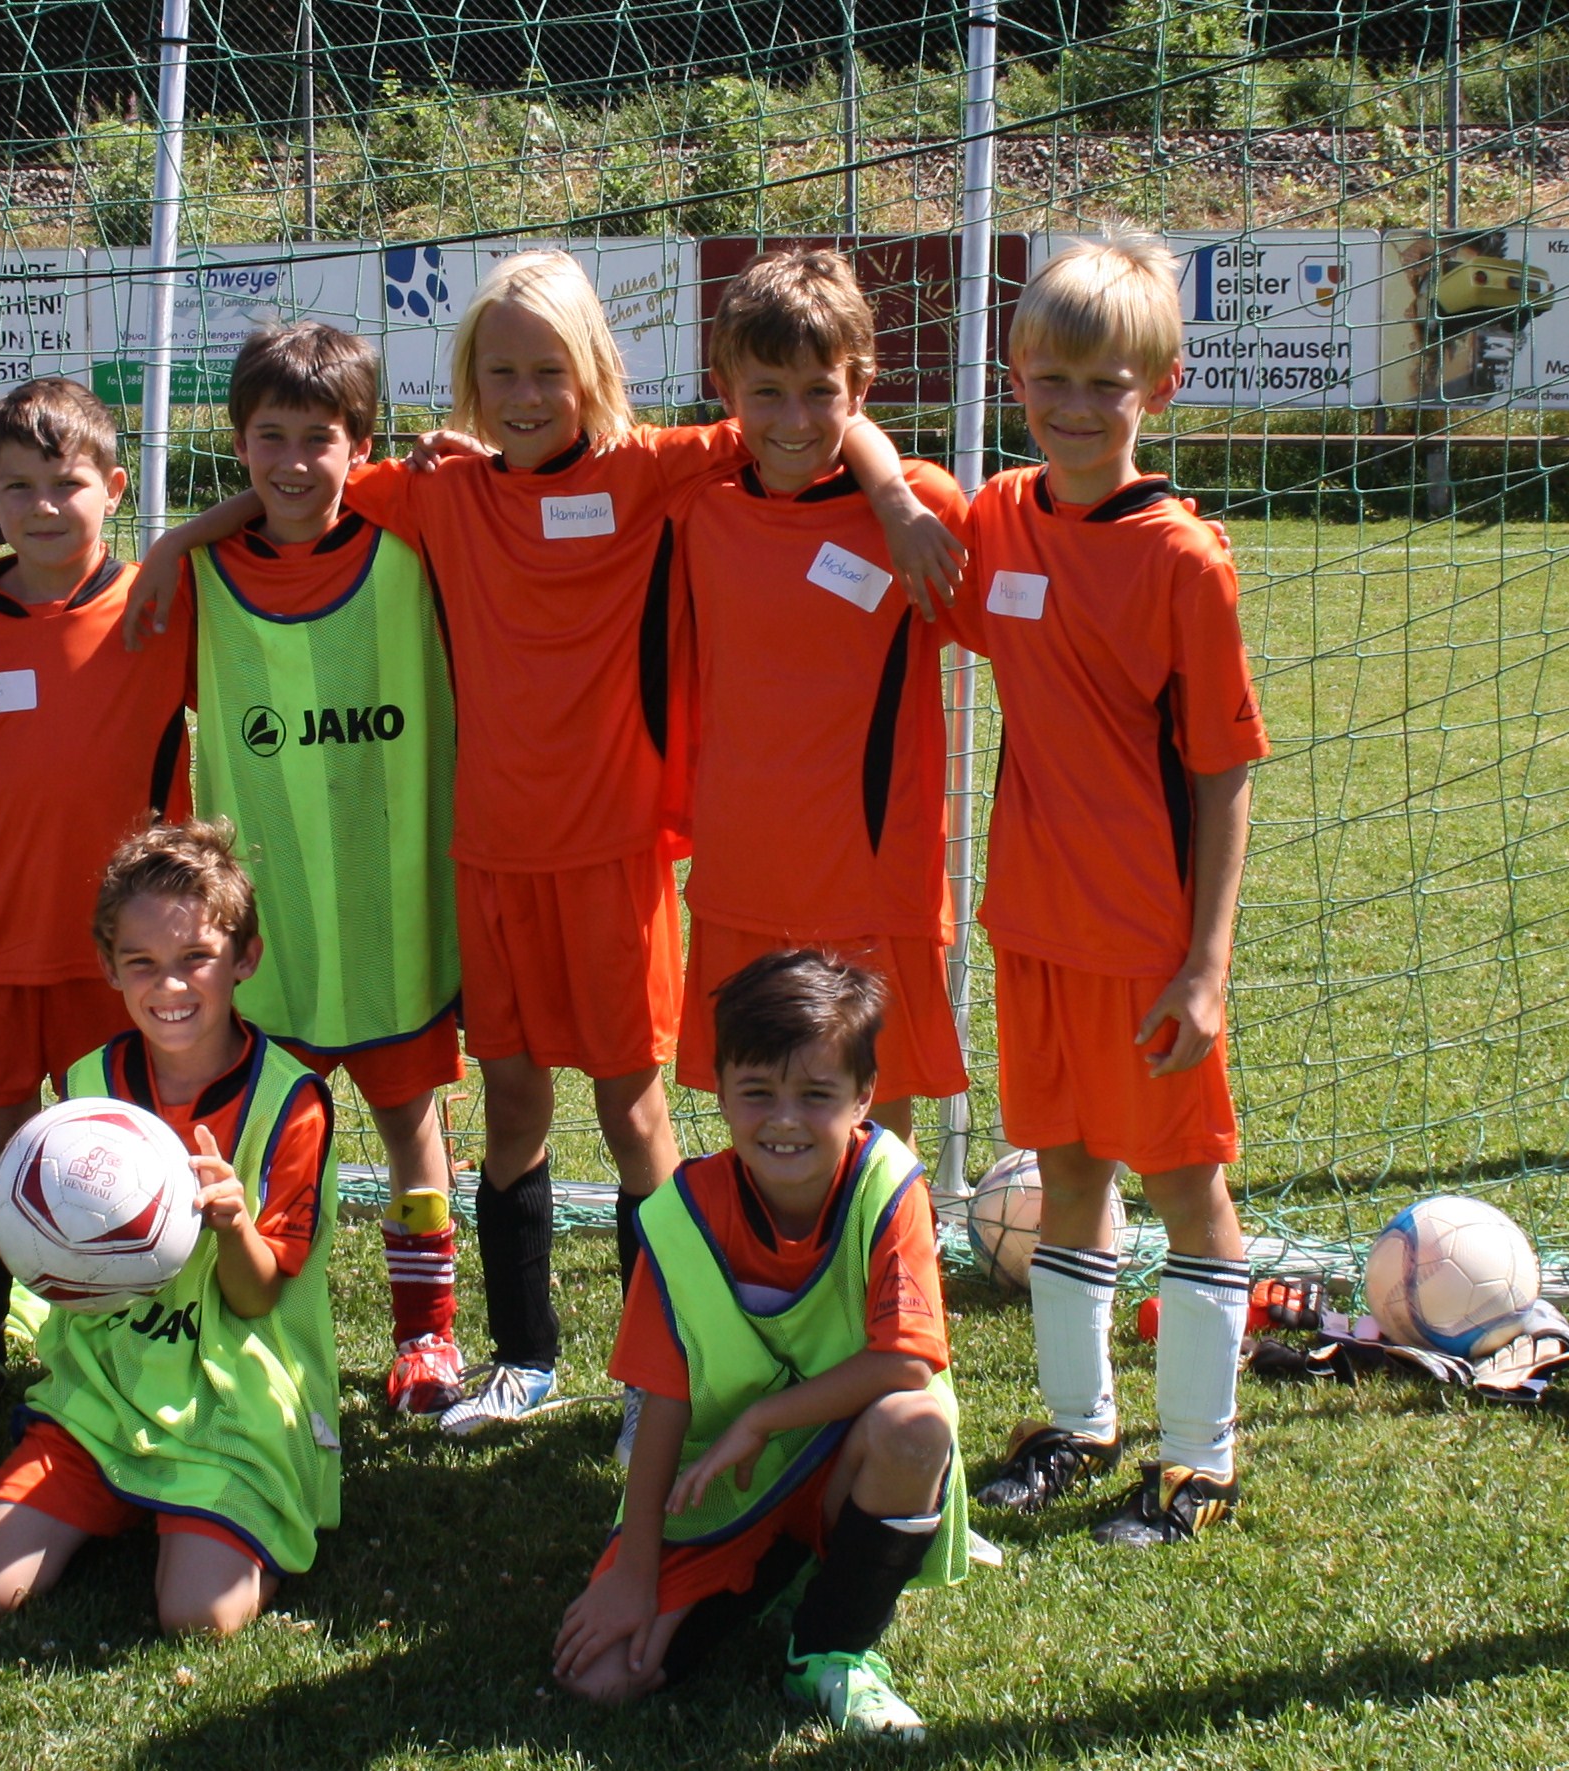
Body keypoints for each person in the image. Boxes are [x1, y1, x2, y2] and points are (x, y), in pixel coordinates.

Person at [132, 252, 962, 1452]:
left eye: (549, 372)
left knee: (633, 1116)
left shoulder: (653, 470)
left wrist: (889, 495)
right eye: (502, 372)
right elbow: (300, 492)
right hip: (488, 857)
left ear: (594, 374)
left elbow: (806, 413)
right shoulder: (443, 492)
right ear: (471, 379)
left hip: (615, 857)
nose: (526, 396)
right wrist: (176, 544)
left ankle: (656, 1374)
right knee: (514, 1107)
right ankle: (524, 1355)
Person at [941, 235, 1269, 1546]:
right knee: (1067, 1172)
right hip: (1032, 924)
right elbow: (904, 540)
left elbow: (1224, 773)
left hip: (1143, 944)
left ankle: (1199, 1459)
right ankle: (1078, 1425)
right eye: (1051, 379)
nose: (1074, 406)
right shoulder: (1002, 515)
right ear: (1015, 377)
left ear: (1161, 388)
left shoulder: (1184, 560)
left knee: (1186, 1187)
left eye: (1105, 383)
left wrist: (1205, 965)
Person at [168, 321, 468, 1416]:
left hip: (395, 915)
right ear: (236, 442)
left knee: (410, 1124)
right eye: (269, 437)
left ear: (363, 445)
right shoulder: (197, 574)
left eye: (319, 439)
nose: (292, 463)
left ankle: (426, 1335)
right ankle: (245, 1329)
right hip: (266, 932)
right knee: (250, 1138)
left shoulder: (415, 544)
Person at [551, 949, 966, 1738]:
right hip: (724, 1485)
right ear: (719, 1090)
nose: (783, 1119)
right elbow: (663, 1398)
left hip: (845, 1457)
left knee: (916, 1423)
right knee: (599, 1679)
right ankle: (776, 1572)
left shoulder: (889, 1186)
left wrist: (763, 1417)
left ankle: (829, 1649)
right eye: (757, 1092)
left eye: (815, 1094)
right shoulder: (680, 1214)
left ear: (863, 1096)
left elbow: (907, 1360)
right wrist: (634, 1570)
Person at [0, 822, 341, 1636]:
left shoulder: (289, 1101)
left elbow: (258, 1297)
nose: (170, 985)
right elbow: (78, 1247)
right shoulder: (89, 1085)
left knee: (198, 1615)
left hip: (233, 1401)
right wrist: (20, 1225)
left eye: (196, 956)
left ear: (245, 957)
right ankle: (125, 1490)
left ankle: (223, 1509)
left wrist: (232, 1223)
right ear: (108, 966)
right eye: (142, 962)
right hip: (105, 1387)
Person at [0, 378, 192, 1415]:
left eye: (67, 483)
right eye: (17, 487)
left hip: (126, 963)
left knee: (123, 1161)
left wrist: (187, 538)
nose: (44, 506)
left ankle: (121, 1350)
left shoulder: (162, 607)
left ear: (113, 487)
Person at [671, 249, 972, 1149]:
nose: (794, 420)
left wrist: (888, 495)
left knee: (878, 1117)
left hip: (871, 884)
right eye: (766, 393)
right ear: (724, 389)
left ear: (861, 388)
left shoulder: (918, 511)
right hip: (739, 875)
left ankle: (889, 1247)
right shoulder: (696, 502)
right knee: (759, 1110)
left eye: (819, 392)